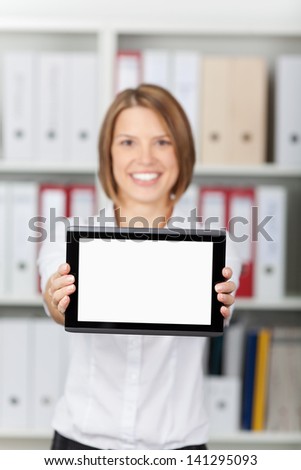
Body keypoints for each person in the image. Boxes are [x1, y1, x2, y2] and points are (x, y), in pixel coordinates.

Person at [37, 84, 241, 450]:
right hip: (81, 442)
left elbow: (220, 314)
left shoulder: (215, 244)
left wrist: (222, 302)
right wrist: (57, 296)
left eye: (162, 142)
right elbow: (55, 301)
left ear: (182, 153)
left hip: (178, 447)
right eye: (128, 142)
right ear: (108, 154)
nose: (145, 158)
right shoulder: (68, 235)